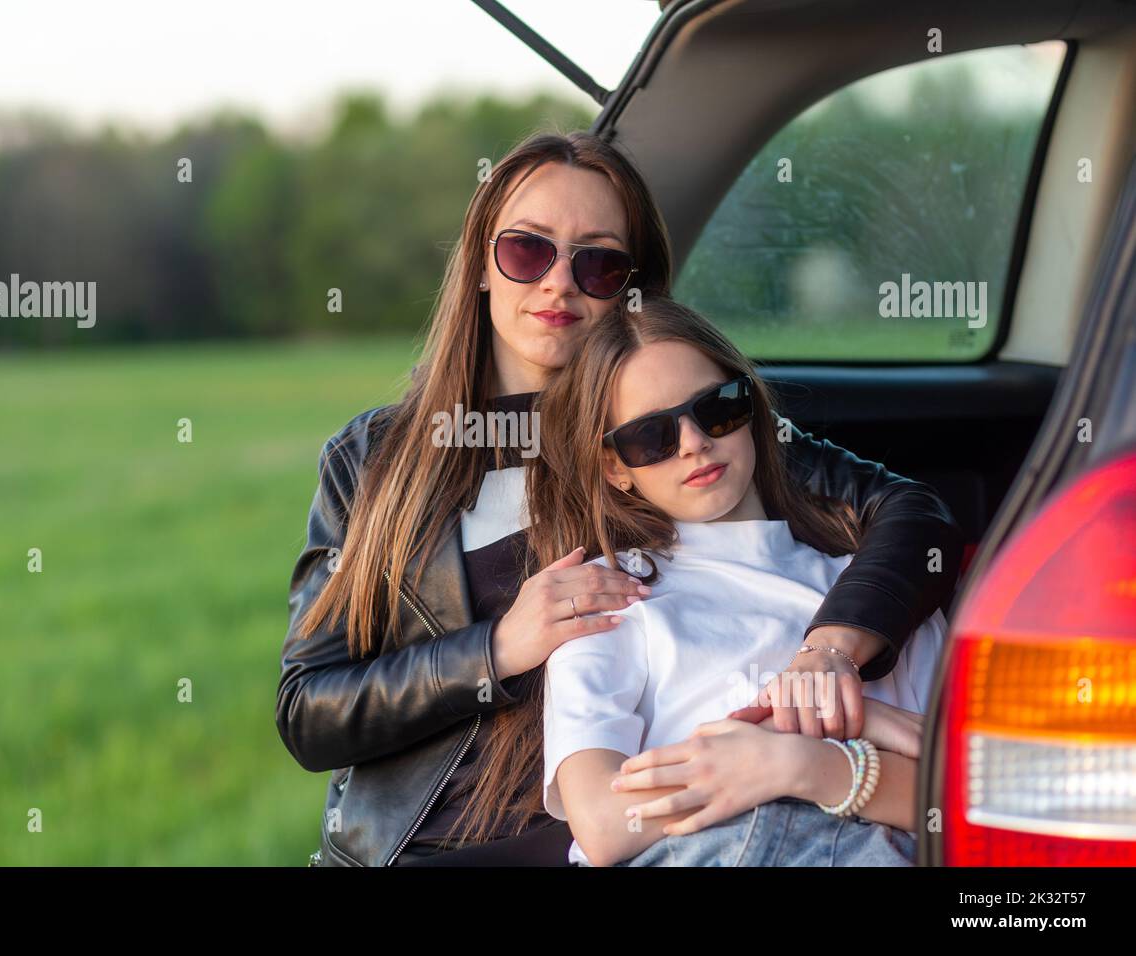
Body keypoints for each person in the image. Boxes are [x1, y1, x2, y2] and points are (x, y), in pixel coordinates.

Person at [276, 129, 963, 867]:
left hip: (639, 832)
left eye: (598, 262)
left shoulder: (683, 426)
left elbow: (914, 519)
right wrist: (499, 649)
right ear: (481, 262)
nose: (558, 283)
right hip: (427, 845)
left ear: (635, 287)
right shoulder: (376, 459)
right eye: (526, 250)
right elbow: (309, 710)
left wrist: (830, 655)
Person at [535, 295, 942, 867]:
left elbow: (966, 804)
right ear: (614, 469)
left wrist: (804, 764)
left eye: (716, 409)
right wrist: (813, 724)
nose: (694, 443)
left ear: (750, 408)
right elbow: (604, 825)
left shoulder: (875, 596)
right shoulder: (611, 596)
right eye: (651, 437)